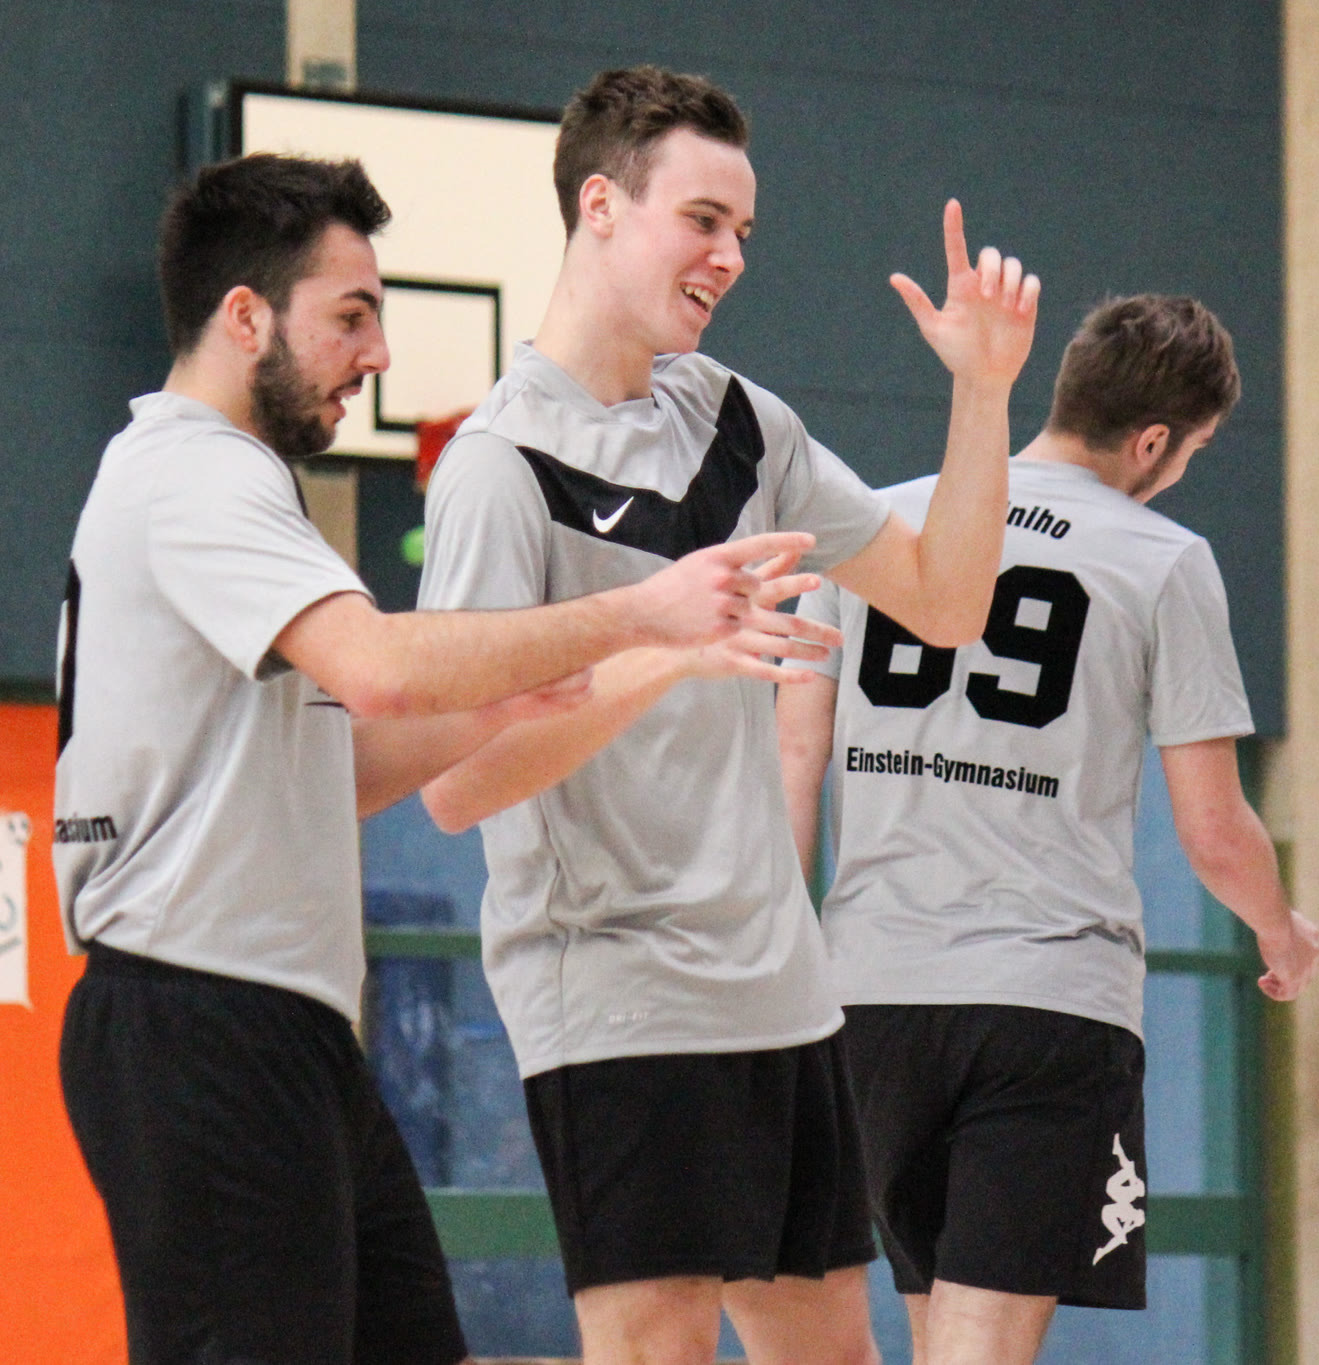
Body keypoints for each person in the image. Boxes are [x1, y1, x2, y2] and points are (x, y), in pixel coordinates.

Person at [53, 153, 820, 1365]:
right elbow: (379, 667)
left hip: (278, 1024)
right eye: (351, 315)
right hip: (199, 1020)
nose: (379, 354)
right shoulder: (198, 471)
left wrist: (528, 694)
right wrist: (635, 612)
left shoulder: (217, 484)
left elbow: (345, 770)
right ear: (246, 316)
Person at [412, 67, 1040, 1365]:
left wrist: (983, 395)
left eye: (742, 230)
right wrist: (662, 650)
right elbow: (457, 783)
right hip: (616, 987)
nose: (731, 256)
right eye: (703, 220)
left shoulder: (745, 424)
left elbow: (946, 600)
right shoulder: (498, 467)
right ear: (600, 205)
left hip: (781, 993)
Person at [777, 294, 1319, 1365]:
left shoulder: (873, 524)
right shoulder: (1162, 558)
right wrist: (1279, 930)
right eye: (1194, 450)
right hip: (1046, 1004)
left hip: (868, 999)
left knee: (939, 1336)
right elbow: (1214, 829)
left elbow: (790, 766)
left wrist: (782, 970)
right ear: (1153, 441)